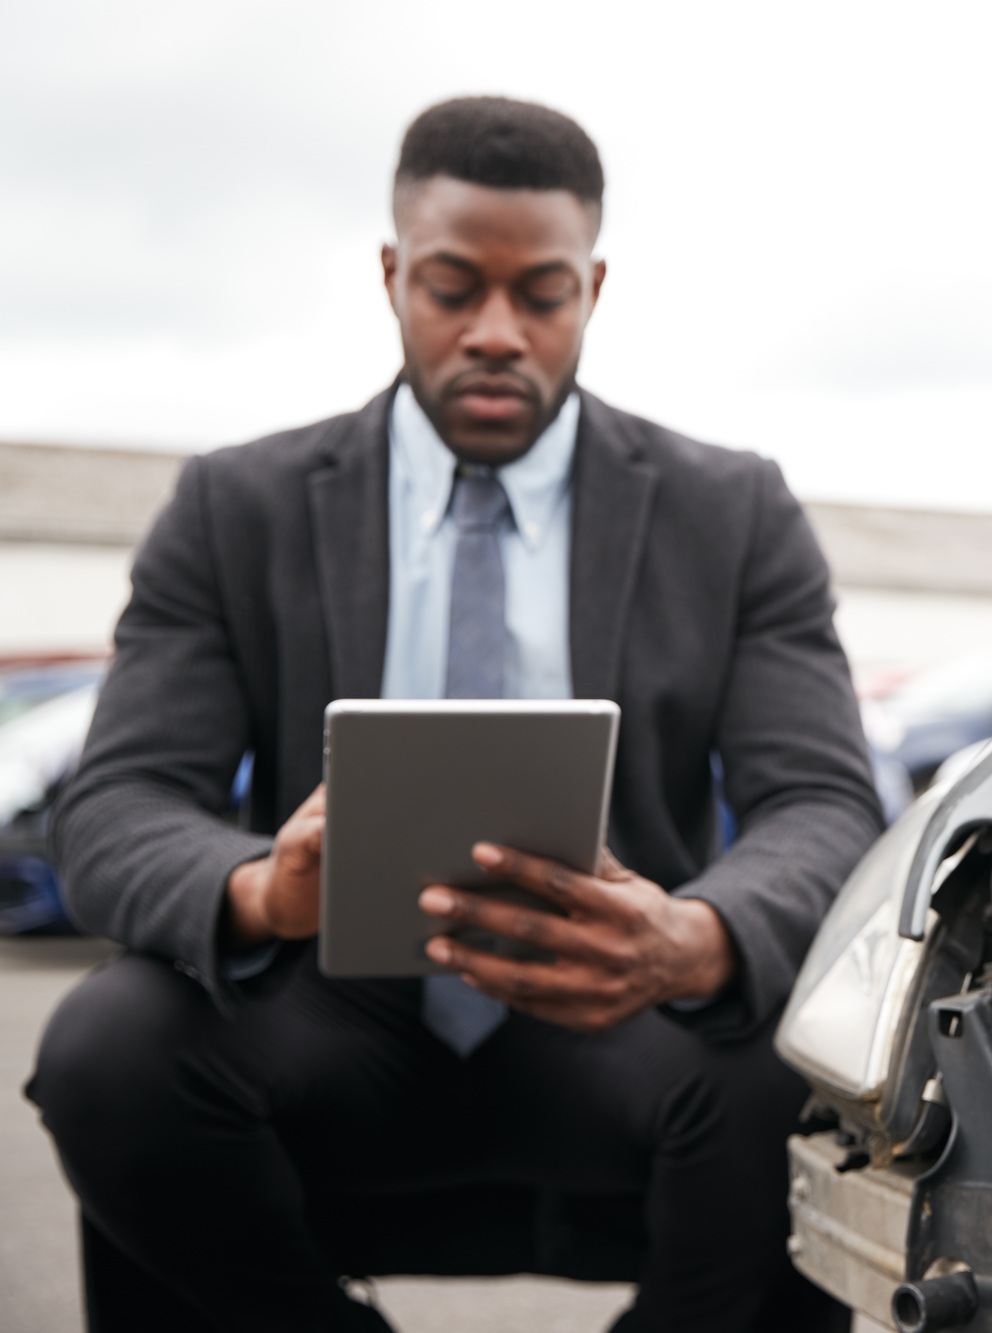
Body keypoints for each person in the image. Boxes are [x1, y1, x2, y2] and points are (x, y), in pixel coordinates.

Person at [26, 97, 883, 1332]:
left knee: (804, 1065)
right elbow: (114, 806)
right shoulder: (237, 505)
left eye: (539, 295)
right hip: (327, 1006)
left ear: (593, 288)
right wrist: (264, 889)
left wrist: (692, 936)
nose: (495, 332)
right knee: (110, 1046)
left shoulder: (732, 512)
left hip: (614, 1006)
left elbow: (824, 802)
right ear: (391, 277)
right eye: (451, 289)